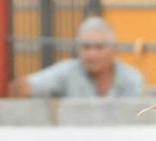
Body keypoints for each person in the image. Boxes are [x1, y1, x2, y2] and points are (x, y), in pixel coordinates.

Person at [8, 17, 144, 98]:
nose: (92, 54)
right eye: (86, 47)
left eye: (99, 47)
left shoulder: (132, 78)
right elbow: (20, 87)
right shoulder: (66, 71)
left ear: (114, 50)